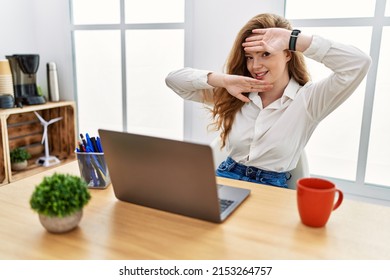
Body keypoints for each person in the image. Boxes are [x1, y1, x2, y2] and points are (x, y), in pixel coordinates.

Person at [165, 13, 371, 188]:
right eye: (250, 57)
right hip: (226, 177)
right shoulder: (236, 92)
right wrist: (224, 80)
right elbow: (174, 80)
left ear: (288, 54)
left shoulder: (309, 100)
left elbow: (358, 64)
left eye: (265, 54)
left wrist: (293, 39)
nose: (256, 66)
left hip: (272, 188)